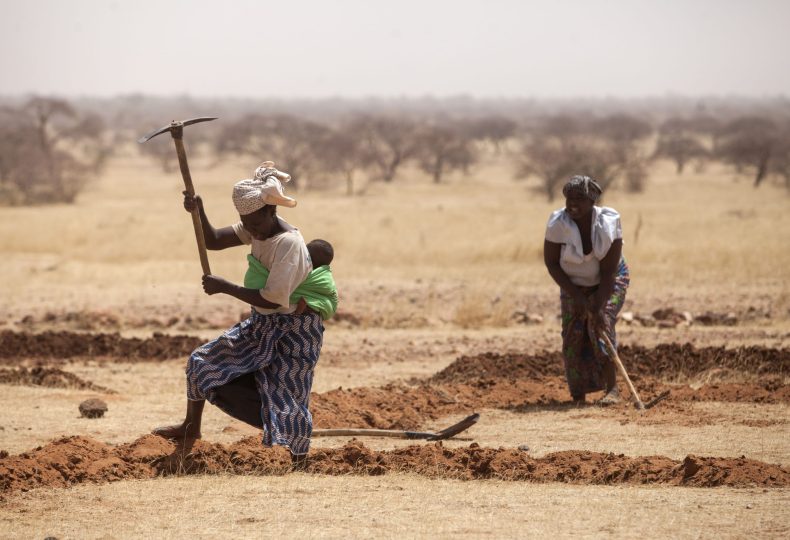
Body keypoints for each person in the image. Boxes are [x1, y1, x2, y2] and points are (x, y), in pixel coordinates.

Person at [153, 162, 337, 462]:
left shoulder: (288, 244)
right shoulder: (257, 229)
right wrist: (197, 213)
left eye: (254, 222)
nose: (249, 228)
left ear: (270, 212)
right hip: (262, 324)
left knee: (287, 402)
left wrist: (224, 287)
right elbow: (212, 240)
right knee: (202, 363)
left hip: (293, 330)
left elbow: (272, 300)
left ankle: (297, 459)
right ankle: (191, 427)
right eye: (244, 221)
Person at [543, 175, 630, 405]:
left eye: (580, 199)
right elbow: (552, 264)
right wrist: (578, 296)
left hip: (609, 280)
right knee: (572, 332)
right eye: (569, 198)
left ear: (592, 201)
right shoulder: (557, 225)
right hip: (572, 283)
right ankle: (578, 393)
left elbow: (609, 272)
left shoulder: (609, 223)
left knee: (601, 324)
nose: (573, 204)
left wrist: (598, 305)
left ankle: (612, 390)